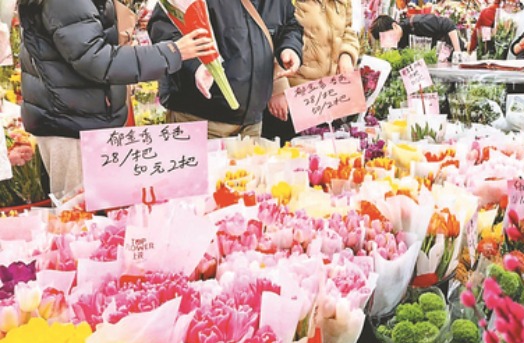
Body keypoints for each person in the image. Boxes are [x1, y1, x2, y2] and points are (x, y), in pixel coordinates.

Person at [18, 0, 216, 196]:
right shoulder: (67, 3)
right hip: (72, 125)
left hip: (82, 118)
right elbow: (96, 60)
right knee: (80, 210)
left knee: (102, 207)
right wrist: (171, 52)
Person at [149, 0, 304, 139]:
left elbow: (290, 24)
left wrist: (290, 47)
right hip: (199, 119)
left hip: (251, 123)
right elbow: (164, 27)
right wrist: (196, 65)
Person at [262, 0, 361, 141]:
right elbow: (269, 39)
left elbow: (349, 31)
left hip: (328, 97)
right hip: (293, 98)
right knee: (291, 150)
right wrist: (277, 86)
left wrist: (346, 55)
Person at [370, 14, 461, 52]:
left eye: (387, 37)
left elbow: (448, 25)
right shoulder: (398, 44)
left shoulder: (418, 23)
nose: (388, 43)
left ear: (394, 26)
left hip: (452, 53)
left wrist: (458, 53)